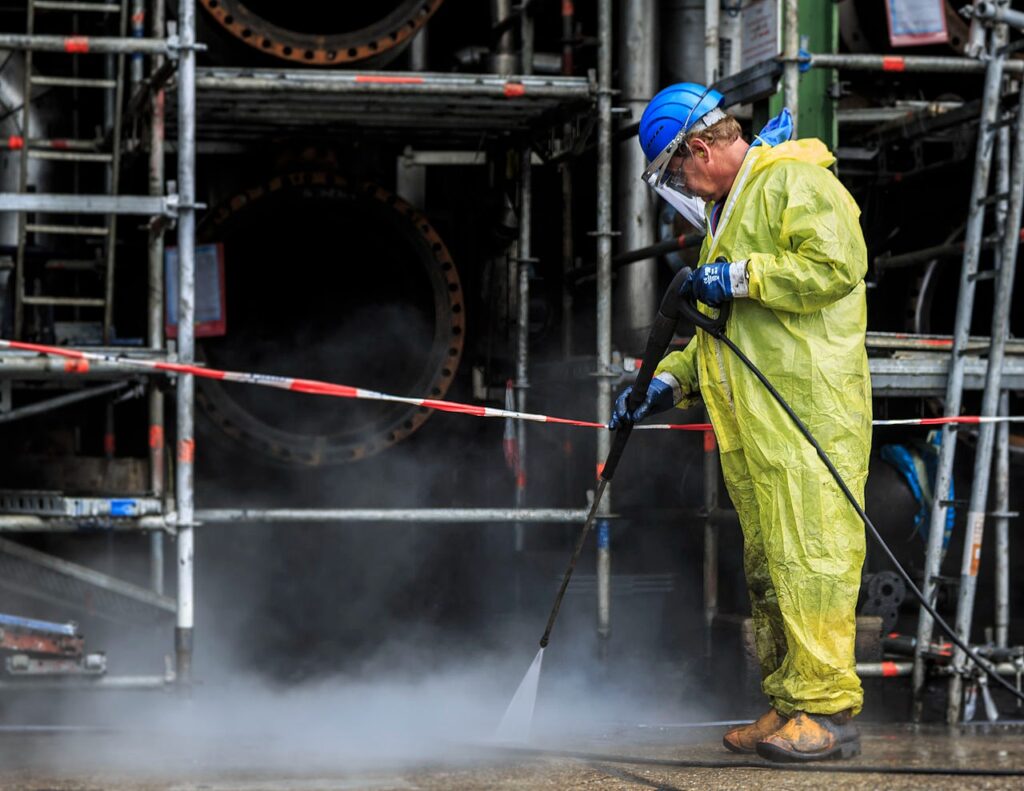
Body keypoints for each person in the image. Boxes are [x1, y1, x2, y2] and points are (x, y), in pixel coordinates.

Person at [609, 83, 872, 763]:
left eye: (676, 171)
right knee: (774, 566)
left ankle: (828, 709)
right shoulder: (729, 212)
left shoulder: (794, 181)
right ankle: (791, 701)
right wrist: (668, 381)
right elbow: (720, 330)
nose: (681, 185)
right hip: (760, 429)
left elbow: (836, 265)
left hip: (808, 412)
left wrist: (741, 275)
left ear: (699, 146)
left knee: (813, 558)